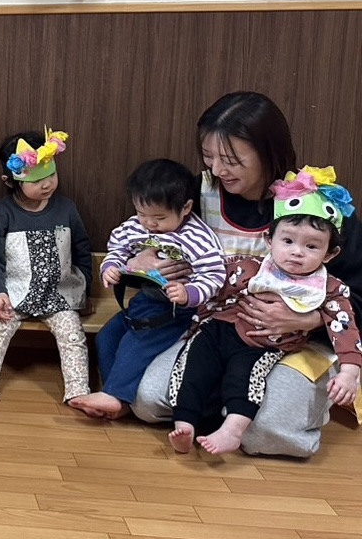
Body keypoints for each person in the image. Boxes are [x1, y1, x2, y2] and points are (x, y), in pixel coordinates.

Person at [128, 92, 362, 457]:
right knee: (149, 401)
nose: (218, 169)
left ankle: (244, 409)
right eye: (209, 156)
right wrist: (145, 256)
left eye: (232, 160)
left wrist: (307, 319)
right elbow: (147, 230)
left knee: (265, 433)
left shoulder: (318, 204)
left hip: (295, 342)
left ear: (268, 153)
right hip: (218, 330)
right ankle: (228, 404)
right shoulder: (197, 192)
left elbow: (355, 296)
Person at [168, 166, 362, 455]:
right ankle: (184, 425)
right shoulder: (252, 268)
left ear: (330, 254)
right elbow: (213, 284)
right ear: (269, 241)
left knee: (244, 380)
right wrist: (187, 295)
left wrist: (349, 372)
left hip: (261, 345)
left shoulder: (329, 289)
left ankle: (232, 431)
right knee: (193, 369)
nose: (297, 251)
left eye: (311, 246)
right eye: (288, 241)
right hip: (218, 330)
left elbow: (345, 329)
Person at [70, 159, 226, 419]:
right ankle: (116, 397)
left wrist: (189, 294)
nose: (149, 224)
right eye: (142, 214)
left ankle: (114, 395)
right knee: (106, 337)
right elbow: (117, 248)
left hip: (177, 312)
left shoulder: (197, 237)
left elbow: (214, 274)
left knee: (137, 343)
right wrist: (111, 267)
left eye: (159, 218)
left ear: (186, 208)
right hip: (143, 302)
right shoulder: (136, 225)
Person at [0, 129, 92, 412]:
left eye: (51, 175)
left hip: (59, 295)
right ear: (10, 181)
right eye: (35, 181)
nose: (46, 184)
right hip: (14, 294)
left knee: (73, 337)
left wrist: (84, 292)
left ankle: (78, 391)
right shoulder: (1, 213)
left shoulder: (67, 209)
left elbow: (82, 250)